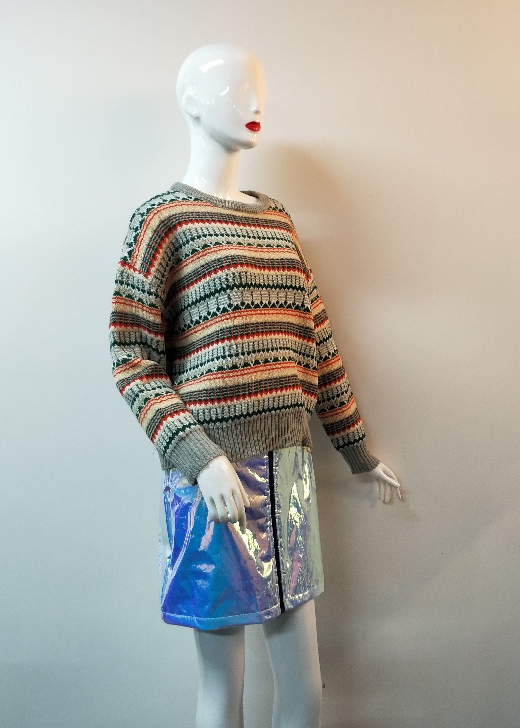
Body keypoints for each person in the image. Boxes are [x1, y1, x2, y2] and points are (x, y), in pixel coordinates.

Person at [109, 43, 402, 728]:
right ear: (190, 100)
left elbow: (316, 340)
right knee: (224, 693)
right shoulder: (162, 221)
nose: (254, 102)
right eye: (236, 88)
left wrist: (356, 450)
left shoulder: (276, 219)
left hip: (291, 472)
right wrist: (200, 456)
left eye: (260, 87)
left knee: (305, 688)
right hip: (216, 482)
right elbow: (131, 357)